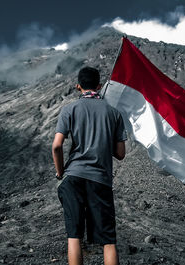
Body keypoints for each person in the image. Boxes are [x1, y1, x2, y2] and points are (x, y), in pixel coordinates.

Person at [52, 66, 127, 265]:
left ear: (78, 87)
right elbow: (120, 154)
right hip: (100, 180)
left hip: (73, 177)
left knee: (74, 235)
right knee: (108, 241)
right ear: (99, 86)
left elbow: (57, 146)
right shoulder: (114, 114)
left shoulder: (69, 109)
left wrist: (60, 173)